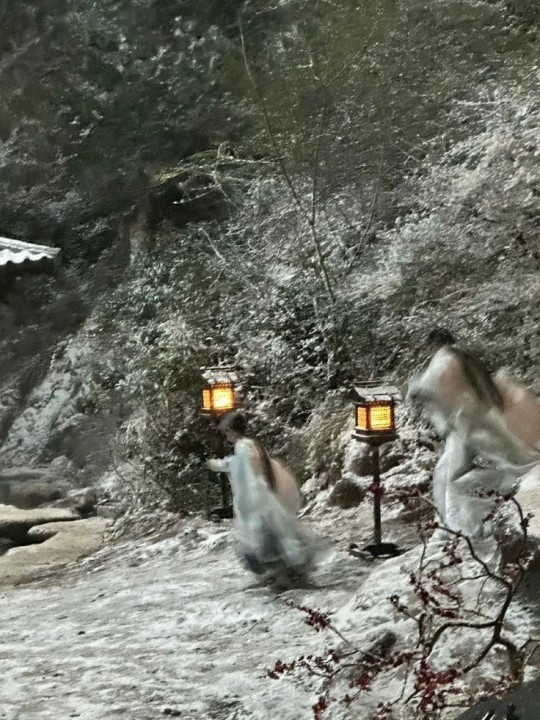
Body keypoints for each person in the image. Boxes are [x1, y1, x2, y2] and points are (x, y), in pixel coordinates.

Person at [407, 328, 540, 537]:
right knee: (451, 472)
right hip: (472, 420)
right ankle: (461, 522)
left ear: (434, 345)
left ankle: (462, 526)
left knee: (450, 476)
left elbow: (434, 384)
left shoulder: (447, 357)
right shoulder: (462, 356)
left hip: (466, 423)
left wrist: (416, 389)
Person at [207, 411, 325, 586]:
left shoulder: (242, 446)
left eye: (227, 432)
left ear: (231, 430)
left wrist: (219, 465)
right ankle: (288, 568)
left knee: (261, 534)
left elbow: (242, 465)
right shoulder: (252, 444)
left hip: (256, 496)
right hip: (262, 493)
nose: (227, 436)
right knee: (276, 530)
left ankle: (279, 571)